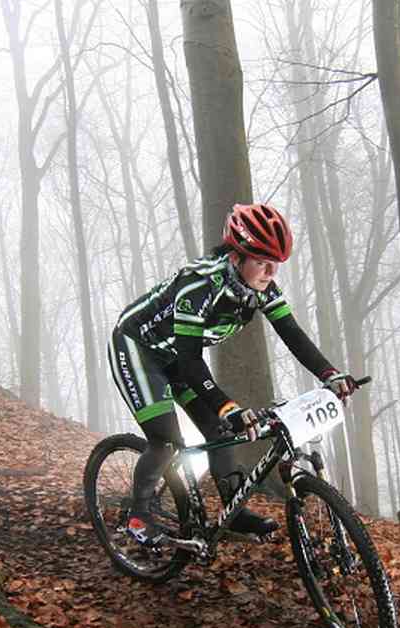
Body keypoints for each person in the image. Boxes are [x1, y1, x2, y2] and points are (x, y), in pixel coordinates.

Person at [108, 202, 357, 544]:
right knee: (166, 440)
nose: (270, 273)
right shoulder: (199, 286)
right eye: (262, 262)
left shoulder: (261, 287)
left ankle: (233, 511)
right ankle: (138, 514)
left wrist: (330, 374)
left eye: (276, 264)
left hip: (178, 357)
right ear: (236, 256)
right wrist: (229, 406)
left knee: (219, 428)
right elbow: (192, 362)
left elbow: (293, 334)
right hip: (139, 349)